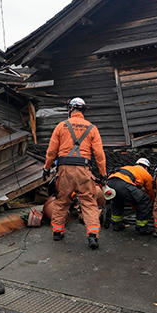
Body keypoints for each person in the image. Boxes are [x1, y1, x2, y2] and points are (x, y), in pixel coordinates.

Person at [43, 97, 106, 249]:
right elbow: (99, 154)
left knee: (61, 201)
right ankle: (92, 236)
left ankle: (57, 233)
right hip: (84, 170)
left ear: (70, 109)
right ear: (84, 110)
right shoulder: (92, 128)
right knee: (89, 204)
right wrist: (103, 174)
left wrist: (46, 167)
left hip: (64, 170)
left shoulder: (61, 126)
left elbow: (52, 151)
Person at [105, 158, 154, 235]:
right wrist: (149, 205)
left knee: (117, 200)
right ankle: (142, 228)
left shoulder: (128, 167)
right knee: (144, 199)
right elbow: (150, 191)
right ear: (147, 167)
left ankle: (116, 225)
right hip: (123, 184)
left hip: (110, 182)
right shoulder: (145, 173)